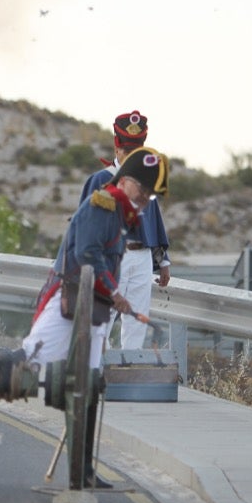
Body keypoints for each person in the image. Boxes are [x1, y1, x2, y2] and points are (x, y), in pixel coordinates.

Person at [18, 146, 169, 488]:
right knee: (29, 361)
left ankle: (84, 470)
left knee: (89, 386)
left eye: (149, 195)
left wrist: (110, 296)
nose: (144, 200)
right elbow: (87, 253)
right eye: (142, 190)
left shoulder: (121, 213)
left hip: (93, 305)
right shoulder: (103, 204)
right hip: (70, 299)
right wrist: (115, 293)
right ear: (125, 181)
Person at [80, 111, 171, 350]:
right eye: (127, 149)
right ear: (117, 147)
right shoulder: (101, 179)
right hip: (113, 256)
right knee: (105, 316)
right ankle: (98, 366)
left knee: (137, 319)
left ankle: (130, 367)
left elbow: (153, 219)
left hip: (142, 256)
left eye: (137, 149)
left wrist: (163, 261)